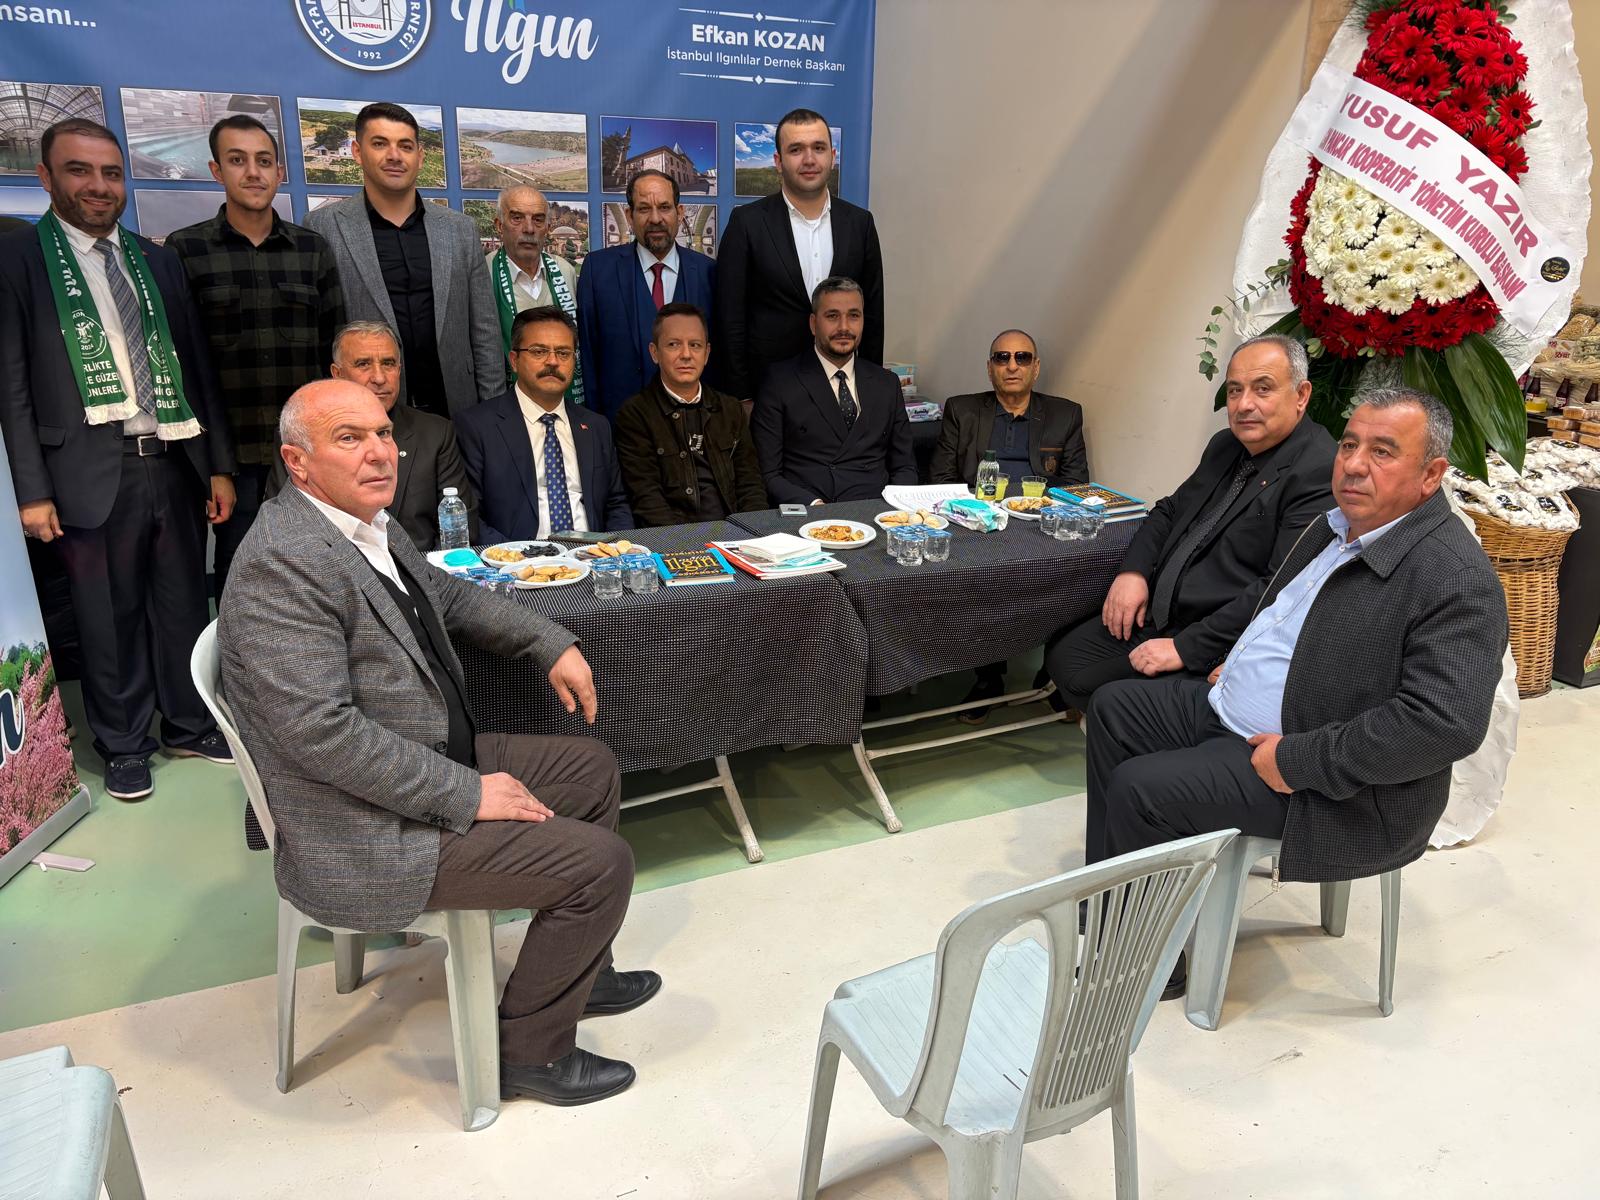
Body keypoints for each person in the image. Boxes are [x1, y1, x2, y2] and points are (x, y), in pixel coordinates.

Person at [218, 378, 659, 1105]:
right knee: (601, 867)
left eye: (383, 433)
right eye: (349, 438)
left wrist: (548, 641)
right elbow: (321, 734)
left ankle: (580, 975)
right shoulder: (282, 562)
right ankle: (527, 1054)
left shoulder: (364, 522)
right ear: (297, 462)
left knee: (590, 768)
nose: (379, 453)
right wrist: (467, 793)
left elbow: (446, 594)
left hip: (420, 754)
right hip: (361, 826)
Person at [1084, 388, 1508, 999]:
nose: (1354, 464)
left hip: (1327, 777)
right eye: (1349, 444)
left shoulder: (1453, 576)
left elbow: (1444, 724)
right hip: (1240, 713)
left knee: (1141, 789)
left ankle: (1140, 967)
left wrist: (1298, 760)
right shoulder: (1337, 526)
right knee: (1115, 706)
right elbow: (1284, 614)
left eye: (1383, 451)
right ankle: (1114, 902)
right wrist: (1238, 662)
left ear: (1431, 475)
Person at [0, 119, 235, 800]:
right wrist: (31, 490)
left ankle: (188, 724)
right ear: (46, 178)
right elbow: (11, 385)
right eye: (80, 171)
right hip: (84, 473)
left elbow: (196, 370)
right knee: (107, 617)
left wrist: (217, 464)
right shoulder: (19, 262)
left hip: (172, 460)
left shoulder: (156, 262)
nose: (99, 186)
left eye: (110, 173)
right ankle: (125, 744)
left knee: (182, 604)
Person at [1044, 335, 1336, 717]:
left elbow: (1279, 589)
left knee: (1097, 692)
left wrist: (1184, 648)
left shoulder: (1317, 470)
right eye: (1235, 390)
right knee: (1060, 652)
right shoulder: (1226, 445)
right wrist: (1133, 573)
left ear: (1301, 395)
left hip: (1214, 638)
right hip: (1163, 613)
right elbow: (1169, 510)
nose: (1244, 404)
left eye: (1263, 389)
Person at [167, 114, 345, 597]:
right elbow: (181, 369)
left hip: (306, 455)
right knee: (240, 581)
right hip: (232, 460)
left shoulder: (312, 250)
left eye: (264, 161)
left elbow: (333, 358)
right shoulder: (186, 251)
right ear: (216, 170)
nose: (252, 172)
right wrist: (213, 465)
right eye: (237, 160)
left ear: (280, 172)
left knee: (321, 575)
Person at [304, 102, 504, 417]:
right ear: (357, 152)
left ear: (420, 156)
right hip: (365, 414)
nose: (394, 155)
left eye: (405, 146)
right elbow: (319, 335)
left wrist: (494, 414)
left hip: (457, 410)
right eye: (380, 143)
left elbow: (485, 331)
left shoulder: (460, 229)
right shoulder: (322, 227)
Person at [932, 328, 1090, 721]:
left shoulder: (1065, 414)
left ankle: (1053, 673)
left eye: (1022, 357)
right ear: (990, 368)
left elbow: (1076, 485)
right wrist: (975, 514)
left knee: (1080, 572)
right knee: (978, 581)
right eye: (1002, 358)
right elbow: (941, 480)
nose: (1012, 365)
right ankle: (989, 678)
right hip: (978, 524)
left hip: (1041, 524)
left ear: (1036, 368)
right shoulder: (962, 410)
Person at [716, 109, 885, 401]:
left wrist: (871, 392)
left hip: (842, 392)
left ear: (832, 156)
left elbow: (872, 314)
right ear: (778, 161)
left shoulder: (860, 223)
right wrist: (741, 398)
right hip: (767, 396)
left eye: (818, 148)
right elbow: (730, 320)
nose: (809, 159)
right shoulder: (747, 223)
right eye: (796, 150)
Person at [270, 321, 478, 551]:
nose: (379, 378)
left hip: (422, 567)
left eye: (388, 364)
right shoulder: (301, 434)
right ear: (337, 374)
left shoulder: (435, 433)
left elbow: (461, 529)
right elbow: (283, 527)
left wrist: (423, 572)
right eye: (363, 364)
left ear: (399, 369)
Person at [456, 306, 633, 543]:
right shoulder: (477, 426)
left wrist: (613, 552)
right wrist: (519, 558)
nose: (552, 361)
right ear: (514, 360)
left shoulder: (596, 426)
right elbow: (470, 516)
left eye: (563, 353)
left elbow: (616, 504)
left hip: (592, 555)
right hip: (516, 558)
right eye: (539, 352)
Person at [751, 276, 914, 505]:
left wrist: (896, 509)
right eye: (832, 316)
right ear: (813, 323)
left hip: (877, 511)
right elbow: (767, 473)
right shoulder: (779, 382)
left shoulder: (887, 383)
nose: (844, 327)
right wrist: (815, 506)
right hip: (810, 513)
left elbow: (905, 467)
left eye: (853, 316)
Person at [576, 169, 715, 420]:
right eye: (643, 209)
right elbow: (588, 354)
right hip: (618, 426)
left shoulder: (709, 273)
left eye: (664, 207)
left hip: (694, 426)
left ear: (680, 212)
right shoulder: (597, 270)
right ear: (629, 216)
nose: (655, 219)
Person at [613, 302, 767, 526]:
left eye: (695, 345)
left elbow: (751, 487)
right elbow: (647, 501)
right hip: (674, 539)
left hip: (735, 534)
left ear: (707, 353)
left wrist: (751, 535)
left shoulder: (730, 409)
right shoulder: (635, 414)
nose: (686, 355)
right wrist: (686, 542)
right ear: (654, 353)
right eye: (673, 345)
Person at [487, 185, 583, 406]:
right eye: (517, 218)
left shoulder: (564, 271)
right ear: (499, 225)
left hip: (562, 401)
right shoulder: (484, 272)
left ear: (547, 228)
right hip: (506, 401)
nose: (529, 228)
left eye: (538, 220)